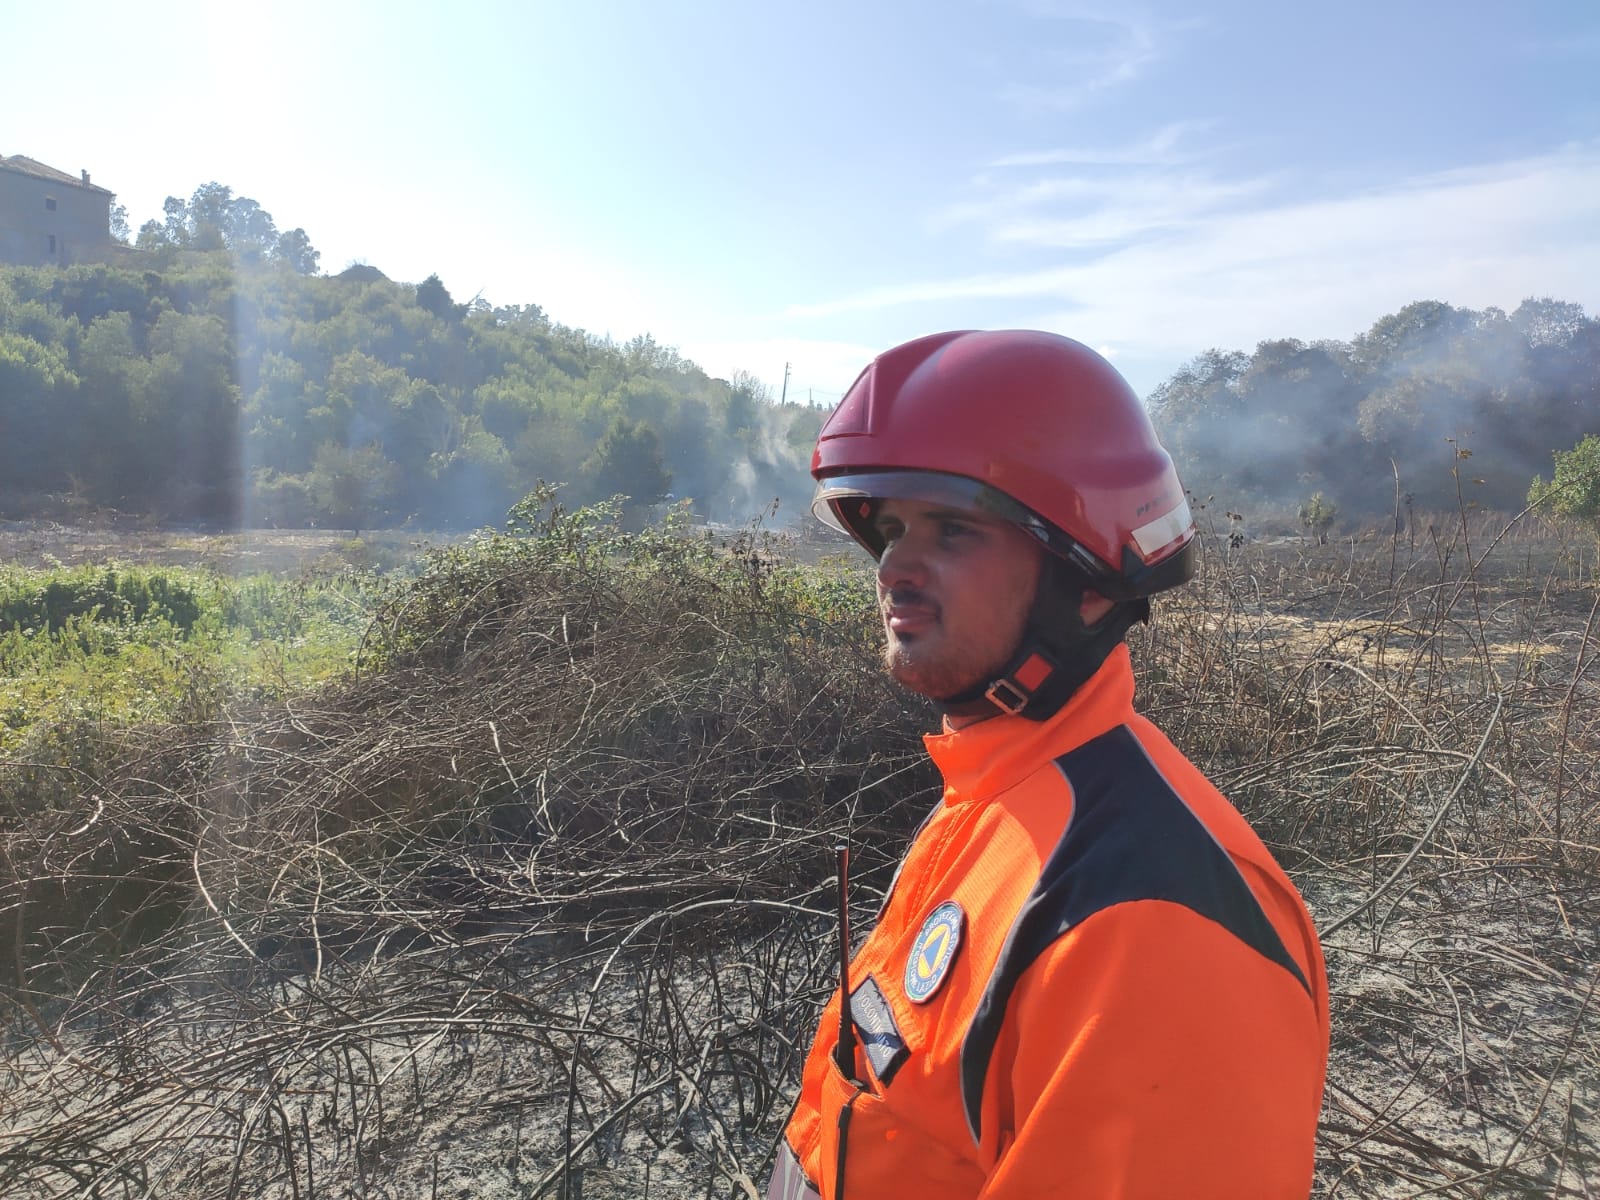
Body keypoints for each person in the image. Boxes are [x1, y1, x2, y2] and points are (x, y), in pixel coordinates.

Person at [768, 330, 1329, 1200]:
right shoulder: (996, 797)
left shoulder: (1155, 927)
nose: (895, 570)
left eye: (952, 529)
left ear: (1090, 580)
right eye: (890, 528)